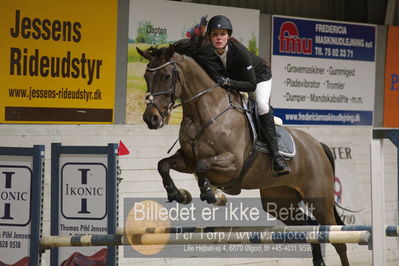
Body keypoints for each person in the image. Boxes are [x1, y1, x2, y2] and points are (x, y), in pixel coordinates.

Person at [193, 15, 290, 177]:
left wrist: (228, 82)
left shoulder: (239, 51)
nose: (219, 38)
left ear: (228, 36)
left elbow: (251, 85)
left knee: (261, 105)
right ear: (210, 37)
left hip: (259, 78)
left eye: (222, 34)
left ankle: (277, 157)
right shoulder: (207, 53)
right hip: (236, 81)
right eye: (215, 34)